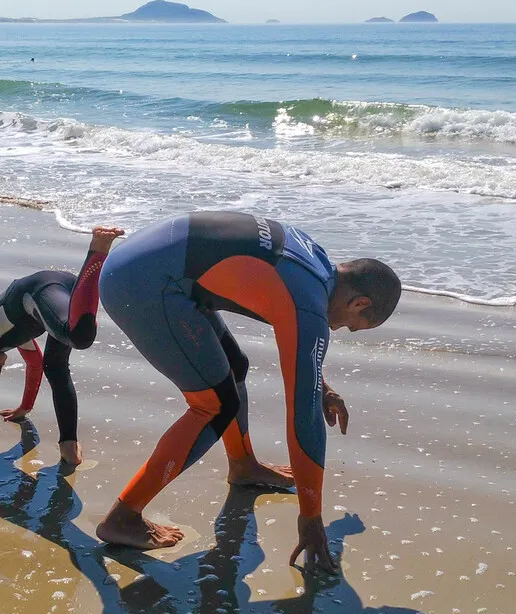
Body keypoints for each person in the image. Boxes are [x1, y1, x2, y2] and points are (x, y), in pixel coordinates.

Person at [95, 211, 401, 573]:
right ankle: (123, 517)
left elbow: (291, 326)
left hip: (149, 265)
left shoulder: (314, 262)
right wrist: (311, 519)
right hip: (142, 284)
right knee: (213, 404)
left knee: (233, 368)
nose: (340, 328)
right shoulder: (307, 301)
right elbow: (303, 419)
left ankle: (244, 466)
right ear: (360, 303)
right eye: (353, 326)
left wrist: (321, 386)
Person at [0, 226, 124, 466]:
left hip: (40, 290)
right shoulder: (4, 338)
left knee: (80, 337)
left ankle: (98, 251)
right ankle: (68, 443)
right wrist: (24, 408)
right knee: (55, 366)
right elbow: (35, 365)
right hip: (58, 295)